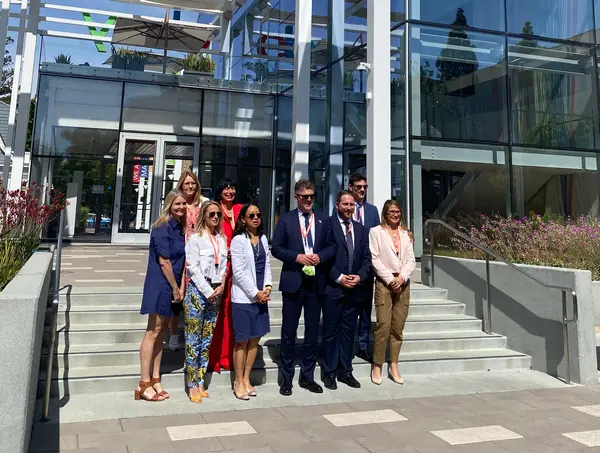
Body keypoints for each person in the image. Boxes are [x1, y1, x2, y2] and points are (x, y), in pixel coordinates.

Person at [271, 179, 334, 396]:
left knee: (312, 332)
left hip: (315, 284)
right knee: (288, 333)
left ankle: (307, 376)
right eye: (305, 197)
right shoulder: (286, 220)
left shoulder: (324, 219)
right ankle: (286, 378)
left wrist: (320, 256)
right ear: (296, 197)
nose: (309, 200)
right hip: (293, 282)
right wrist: (297, 257)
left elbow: (332, 247)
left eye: (312, 196)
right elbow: (276, 248)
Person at [135, 189, 186, 402]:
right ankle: (143, 383)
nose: (181, 208)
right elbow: (164, 261)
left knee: (163, 331)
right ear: (169, 205)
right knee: (152, 331)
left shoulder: (180, 229)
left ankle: (156, 378)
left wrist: (181, 287)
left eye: (184, 204)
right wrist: (175, 288)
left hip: (174, 286)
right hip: (160, 285)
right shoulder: (161, 228)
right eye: (177, 204)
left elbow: (182, 261)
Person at [322, 191, 372, 390]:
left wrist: (359, 276)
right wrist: (340, 277)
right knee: (331, 332)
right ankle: (330, 373)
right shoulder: (327, 225)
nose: (349, 208)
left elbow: (368, 259)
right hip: (333, 288)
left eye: (352, 205)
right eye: (345, 204)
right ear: (337, 205)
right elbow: (324, 257)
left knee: (348, 332)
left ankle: (345, 371)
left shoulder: (361, 229)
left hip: (354, 289)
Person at [184, 201, 228, 403]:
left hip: (216, 291)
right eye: (211, 214)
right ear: (204, 215)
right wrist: (208, 290)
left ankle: (200, 379)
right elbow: (192, 268)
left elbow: (224, 266)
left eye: (218, 214)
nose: (216, 217)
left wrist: (221, 285)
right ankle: (192, 384)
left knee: (207, 338)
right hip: (198, 291)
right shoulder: (195, 239)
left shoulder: (222, 238)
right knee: (193, 338)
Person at [368, 200, 416, 385]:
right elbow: (375, 258)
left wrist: (402, 278)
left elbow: (411, 260)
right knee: (383, 325)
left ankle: (394, 364)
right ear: (385, 214)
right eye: (391, 212)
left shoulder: (406, 234)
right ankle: (377, 364)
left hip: (403, 283)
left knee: (397, 328)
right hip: (384, 283)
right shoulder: (376, 232)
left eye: (398, 211)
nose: (395, 214)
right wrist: (390, 279)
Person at [230, 203, 272, 400]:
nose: (255, 218)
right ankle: (238, 381)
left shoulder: (263, 238)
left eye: (258, 214)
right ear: (243, 219)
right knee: (241, 342)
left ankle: (247, 379)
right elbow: (238, 272)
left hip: (261, 298)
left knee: (255, 340)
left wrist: (268, 286)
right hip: (244, 298)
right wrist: (256, 292)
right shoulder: (238, 240)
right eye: (251, 215)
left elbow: (268, 265)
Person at [168, 171, 209, 351]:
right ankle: (174, 334)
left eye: (193, 183)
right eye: (187, 184)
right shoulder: (178, 202)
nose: (190, 187)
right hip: (180, 250)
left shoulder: (204, 202)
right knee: (177, 296)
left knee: (196, 292)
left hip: (199, 252)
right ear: (181, 186)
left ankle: (196, 335)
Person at [208, 178, 243, 372]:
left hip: (238, 266)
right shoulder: (214, 209)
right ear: (220, 191)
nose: (230, 191)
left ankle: (228, 357)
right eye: (226, 188)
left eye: (232, 188)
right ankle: (214, 358)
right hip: (219, 265)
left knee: (231, 312)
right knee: (217, 313)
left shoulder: (240, 209)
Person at [347, 173, 380, 363]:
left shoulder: (372, 211)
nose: (362, 190)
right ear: (350, 187)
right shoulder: (344, 207)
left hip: (367, 268)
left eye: (364, 187)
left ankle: (363, 345)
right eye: (358, 187)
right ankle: (347, 344)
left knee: (366, 310)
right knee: (349, 308)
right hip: (349, 265)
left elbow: (379, 235)